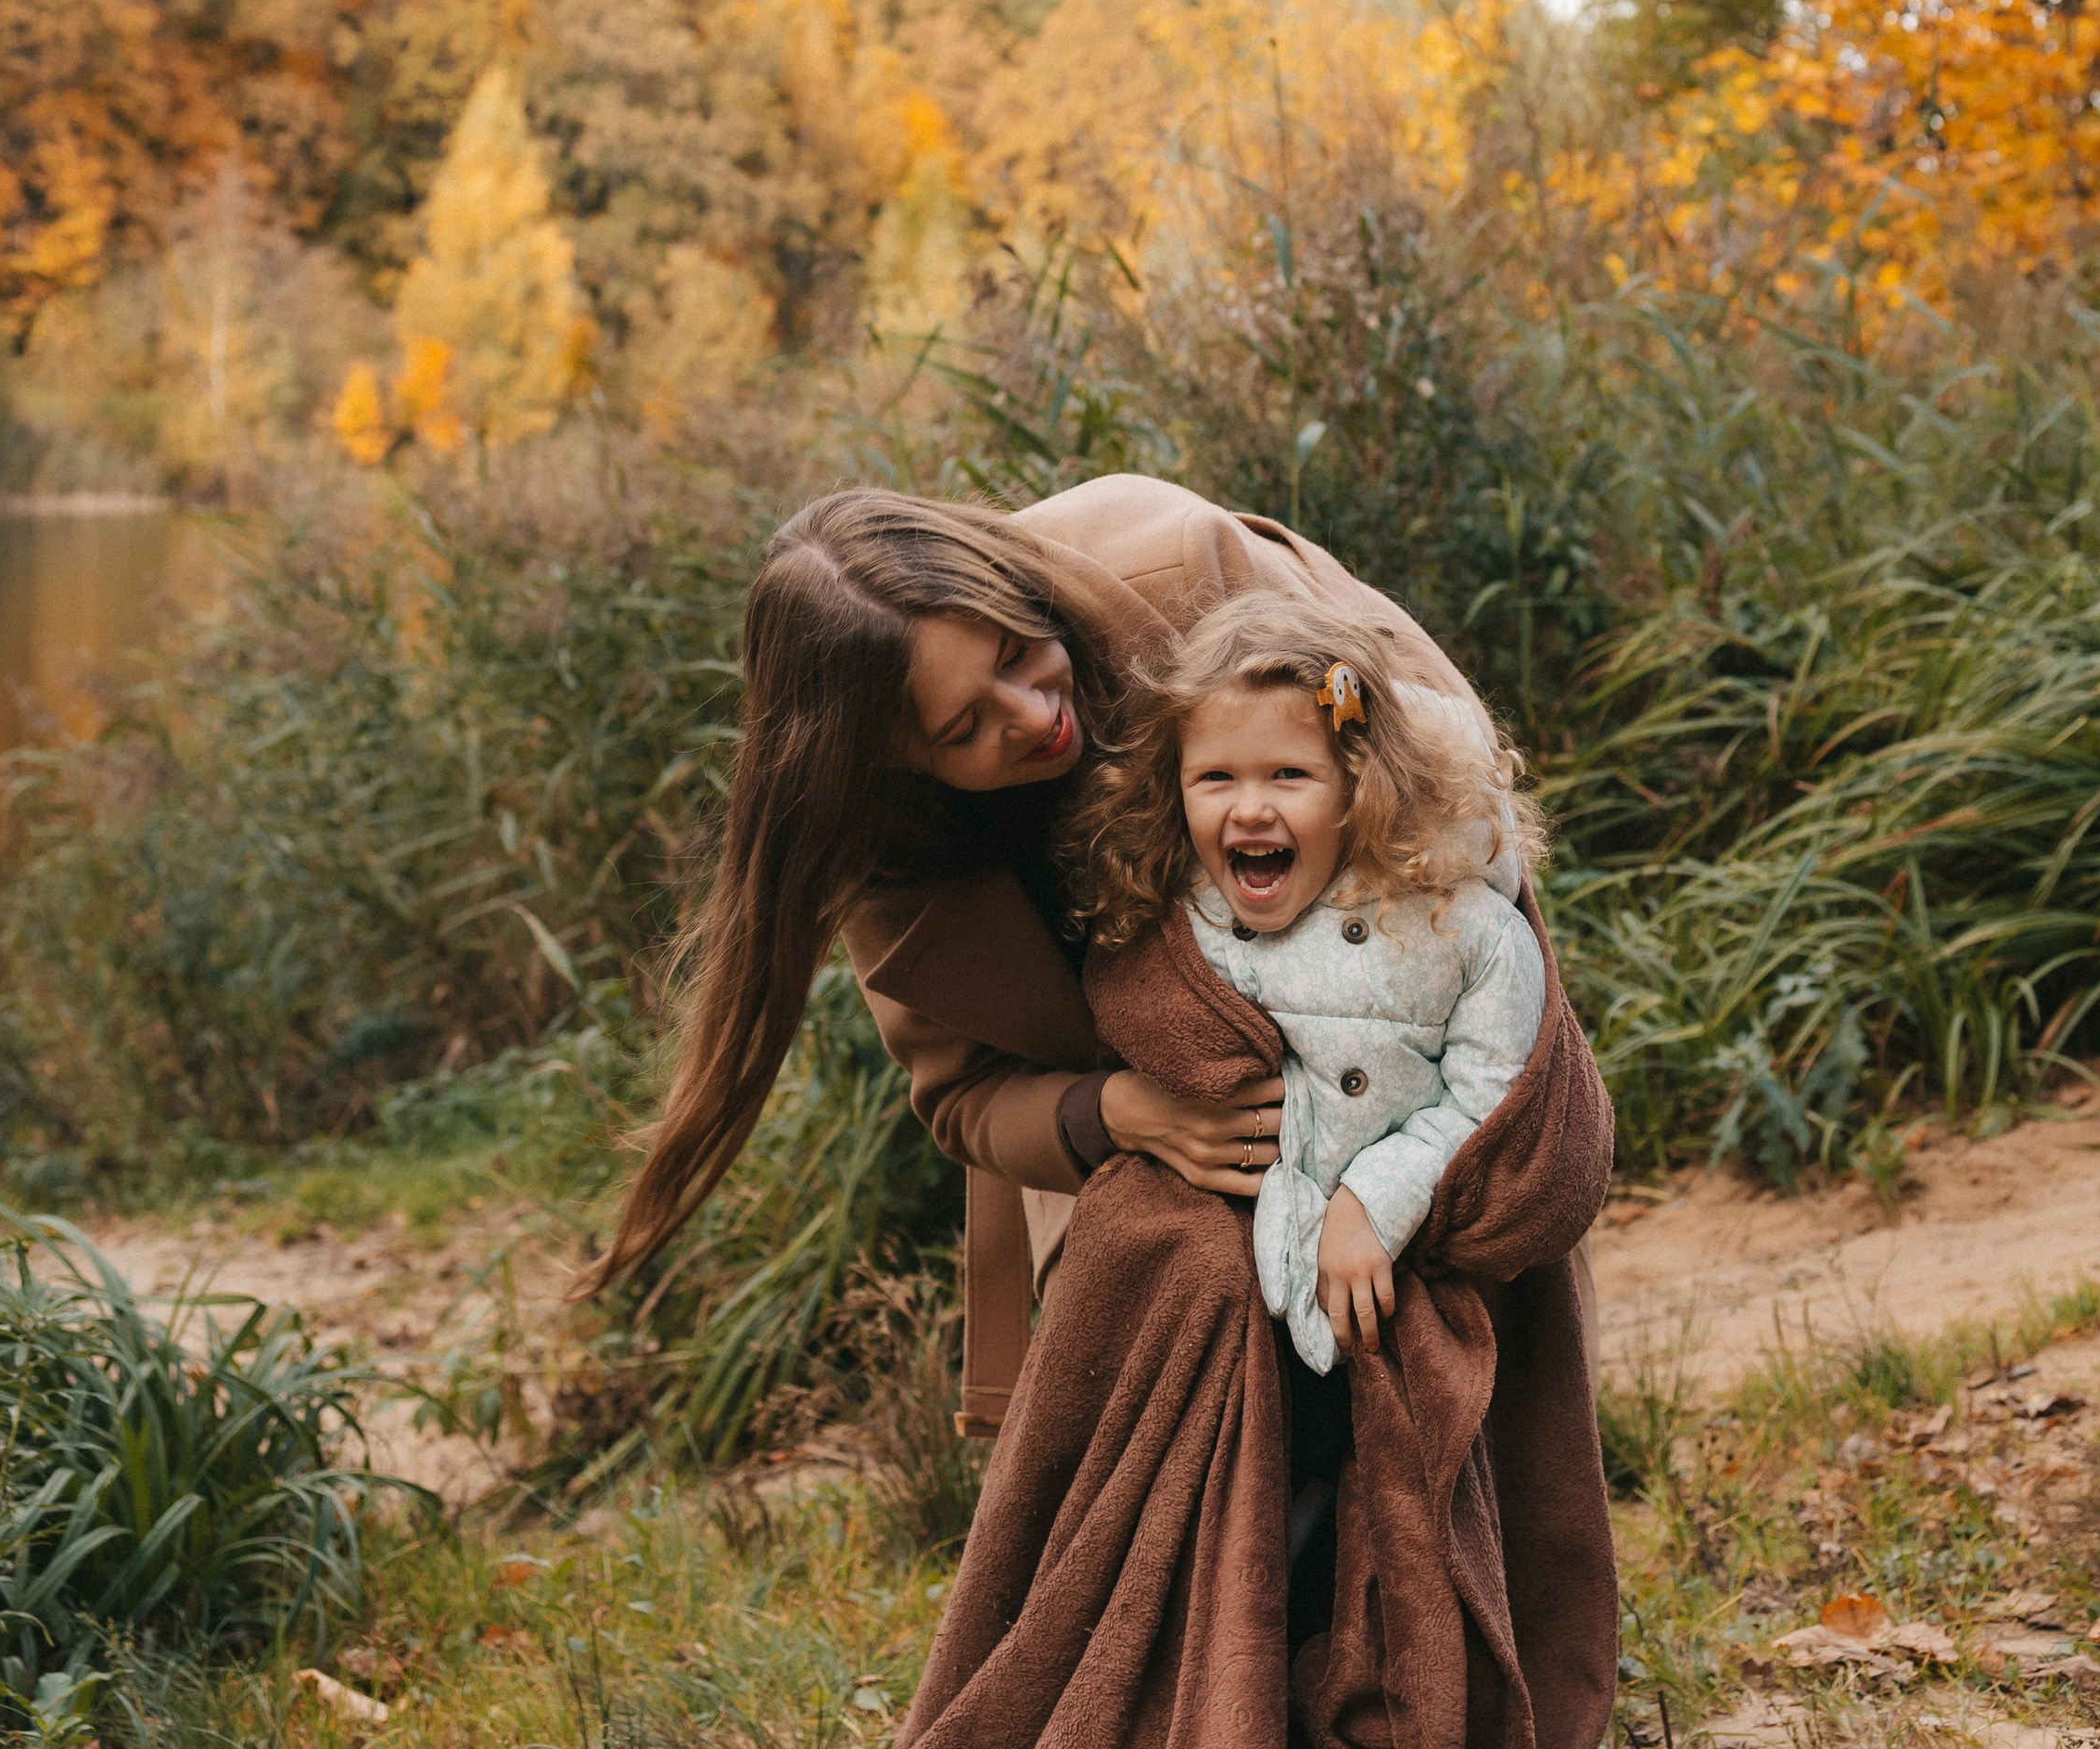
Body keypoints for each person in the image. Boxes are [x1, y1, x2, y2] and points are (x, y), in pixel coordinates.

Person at [586, 471, 1504, 1426]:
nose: (1029, 715)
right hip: (1134, 1148)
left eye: (1019, 655)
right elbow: (963, 1095)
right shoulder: (883, 847)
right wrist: (1120, 1112)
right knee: (1170, 1402)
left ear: (1010, 589)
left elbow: (1452, 798)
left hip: (1400, 1043)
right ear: (893, 761)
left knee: (1439, 1392)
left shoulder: (1189, 573)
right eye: (963, 727)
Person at [1067, 591, 1545, 1384]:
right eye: (1215, 776)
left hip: (1395, 1281)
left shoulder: (1462, 929)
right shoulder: (1173, 919)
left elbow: (1496, 1094)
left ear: (1361, 782)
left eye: (1290, 774)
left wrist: (1374, 1200)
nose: (1251, 808)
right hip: (1232, 1299)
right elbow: (1136, 1023)